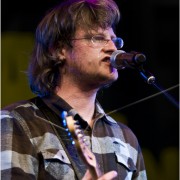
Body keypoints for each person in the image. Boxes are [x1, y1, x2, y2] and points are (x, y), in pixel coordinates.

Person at [1, 0, 147, 179]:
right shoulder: (16, 122)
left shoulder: (126, 138)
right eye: (98, 38)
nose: (112, 48)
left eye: (115, 40)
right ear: (59, 49)